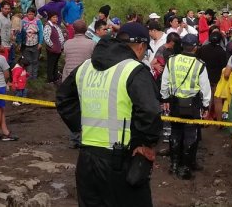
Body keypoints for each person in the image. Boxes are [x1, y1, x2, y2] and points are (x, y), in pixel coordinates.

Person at [56, 21, 162, 207]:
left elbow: (63, 98)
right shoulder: (134, 70)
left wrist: (81, 126)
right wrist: (145, 143)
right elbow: (150, 111)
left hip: (87, 159)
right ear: (141, 46)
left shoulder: (86, 66)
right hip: (121, 161)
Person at [161, 33, 211, 179]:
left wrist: (165, 99)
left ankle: (174, 165)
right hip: (192, 104)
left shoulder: (171, 61)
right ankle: (186, 168)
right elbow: (205, 88)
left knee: (175, 132)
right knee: (191, 134)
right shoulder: (199, 64)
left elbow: (165, 82)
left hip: (175, 103)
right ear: (195, 47)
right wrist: (206, 106)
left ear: (182, 45)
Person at [44, 14, 65, 84]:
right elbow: (46, 38)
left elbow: (60, 36)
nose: (56, 19)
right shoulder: (48, 26)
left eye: (56, 17)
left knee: (55, 64)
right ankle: (50, 79)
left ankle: (55, 78)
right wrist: (52, 46)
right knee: (51, 64)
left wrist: (61, 46)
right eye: (54, 17)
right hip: (52, 50)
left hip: (58, 49)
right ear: (50, 18)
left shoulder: (55, 26)